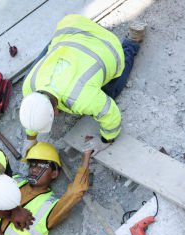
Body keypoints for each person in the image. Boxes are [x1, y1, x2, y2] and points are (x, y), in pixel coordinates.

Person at [19, 14, 146, 148]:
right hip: (74, 26)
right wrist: (30, 137)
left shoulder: (82, 99)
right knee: (51, 51)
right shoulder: (29, 85)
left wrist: (106, 140)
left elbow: (110, 114)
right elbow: (35, 110)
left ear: (55, 112)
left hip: (107, 45)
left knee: (111, 92)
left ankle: (131, 43)